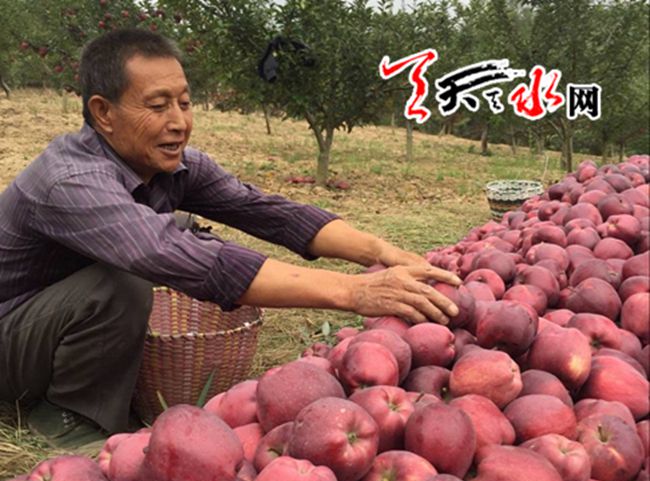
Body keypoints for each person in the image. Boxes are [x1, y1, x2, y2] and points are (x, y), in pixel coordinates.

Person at [0, 29, 460, 448]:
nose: (179, 122)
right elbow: (172, 254)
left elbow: (269, 213)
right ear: (103, 112)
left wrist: (380, 251)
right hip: (10, 332)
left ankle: (98, 377)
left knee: (182, 229)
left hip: (49, 321)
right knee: (122, 282)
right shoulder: (71, 180)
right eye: (158, 106)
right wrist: (354, 292)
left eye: (184, 103)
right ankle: (67, 416)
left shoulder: (172, 164)